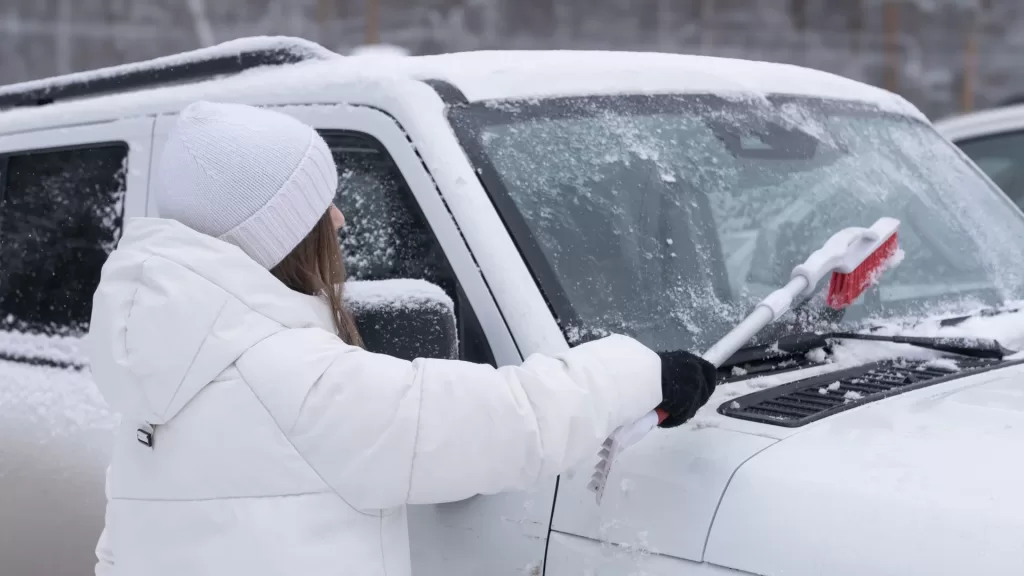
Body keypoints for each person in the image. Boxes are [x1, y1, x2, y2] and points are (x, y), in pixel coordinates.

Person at [87, 101, 717, 576]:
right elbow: (511, 419)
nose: (338, 217)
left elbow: (118, 554)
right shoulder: (296, 380)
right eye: (321, 205)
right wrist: (644, 373)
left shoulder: (161, 376)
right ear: (280, 236)